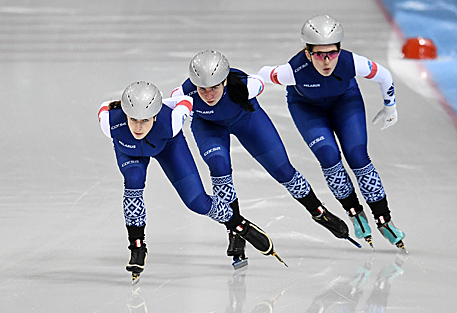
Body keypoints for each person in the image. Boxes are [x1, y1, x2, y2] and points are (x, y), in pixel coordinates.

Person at [171, 50, 355, 267]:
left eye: (214, 88)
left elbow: (260, 81)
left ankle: (318, 212)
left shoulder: (244, 85)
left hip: (247, 120)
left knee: (284, 171)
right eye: (202, 89)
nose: (208, 95)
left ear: (225, 81)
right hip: (208, 127)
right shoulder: (182, 94)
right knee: (218, 165)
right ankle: (236, 230)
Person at [98, 81, 284, 280]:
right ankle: (137, 247)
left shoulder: (172, 120)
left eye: (145, 120)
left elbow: (185, 100)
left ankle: (240, 226)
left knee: (197, 202)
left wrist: (162, 103)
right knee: (133, 179)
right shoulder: (109, 123)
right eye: (133, 119)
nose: (138, 127)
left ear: (154, 115)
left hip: (168, 145)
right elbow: (105, 106)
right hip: (130, 152)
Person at [257, 15, 406, 251]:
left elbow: (384, 76)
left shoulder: (352, 62)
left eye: (332, 53)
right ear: (308, 53)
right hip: (306, 108)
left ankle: (383, 219)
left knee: (357, 155)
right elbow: (262, 75)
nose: (326, 61)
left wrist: (390, 107)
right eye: (318, 54)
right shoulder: (292, 71)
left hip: (345, 101)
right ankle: (354, 211)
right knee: (329, 157)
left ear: (340, 49)